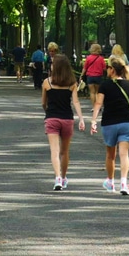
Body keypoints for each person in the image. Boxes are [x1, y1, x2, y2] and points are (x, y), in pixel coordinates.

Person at [91, 57, 129, 196]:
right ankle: (124, 182)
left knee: (110, 155)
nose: (106, 69)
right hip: (126, 123)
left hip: (109, 123)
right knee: (124, 154)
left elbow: (98, 104)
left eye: (108, 67)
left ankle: (110, 181)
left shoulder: (104, 85)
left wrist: (93, 120)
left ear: (113, 70)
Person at [42, 54, 87, 190]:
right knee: (65, 151)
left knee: (54, 151)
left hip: (52, 118)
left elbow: (43, 103)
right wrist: (81, 118)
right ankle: (64, 177)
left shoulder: (47, 83)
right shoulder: (71, 84)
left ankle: (57, 178)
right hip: (67, 119)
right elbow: (76, 102)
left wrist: (47, 111)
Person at [81, 43, 106, 109]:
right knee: (98, 92)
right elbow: (104, 68)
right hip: (98, 76)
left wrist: (81, 75)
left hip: (90, 76)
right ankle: (98, 106)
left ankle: (94, 106)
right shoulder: (101, 59)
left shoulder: (88, 58)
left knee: (92, 92)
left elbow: (85, 68)